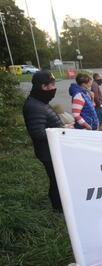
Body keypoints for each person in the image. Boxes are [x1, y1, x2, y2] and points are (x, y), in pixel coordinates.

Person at [23, 71, 65, 212]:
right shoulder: (34, 106)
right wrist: (61, 131)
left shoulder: (40, 102)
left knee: (59, 179)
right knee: (56, 180)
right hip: (48, 153)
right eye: (52, 85)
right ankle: (58, 209)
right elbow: (37, 133)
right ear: (43, 87)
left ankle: (61, 204)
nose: (54, 88)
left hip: (53, 150)